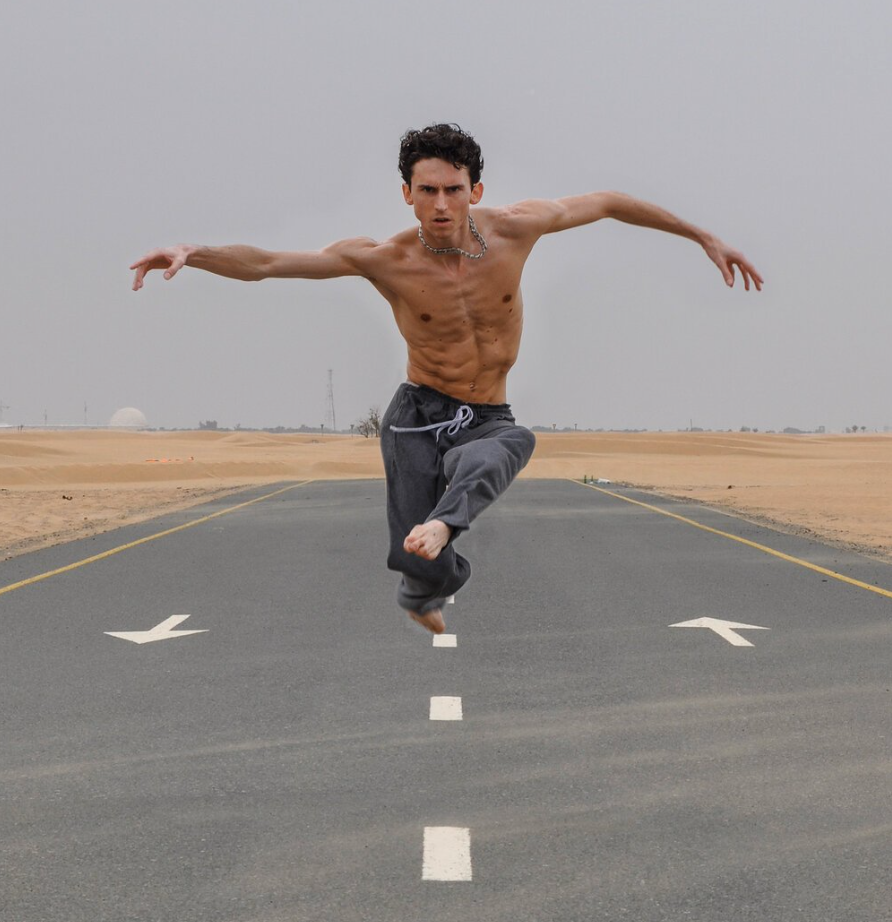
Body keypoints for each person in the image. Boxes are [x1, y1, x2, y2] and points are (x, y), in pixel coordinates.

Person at [130, 122, 763, 635]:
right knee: (414, 562)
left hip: (486, 412)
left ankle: (445, 526)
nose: (440, 204)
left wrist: (701, 235)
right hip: (415, 415)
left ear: (475, 191)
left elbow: (607, 203)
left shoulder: (518, 227)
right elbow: (268, 263)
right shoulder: (384, 259)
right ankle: (428, 583)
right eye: (427, 190)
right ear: (406, 193)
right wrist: (195, 252)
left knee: (508, 447)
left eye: (453, 190)